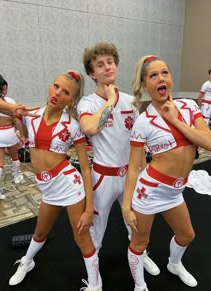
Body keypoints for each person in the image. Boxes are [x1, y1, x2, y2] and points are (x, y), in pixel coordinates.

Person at [123, 55, 211, 291]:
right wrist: (126, 205)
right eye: (153, 75)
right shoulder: (143, 122)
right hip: (149, 191)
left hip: (175, 191)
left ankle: (174, 264)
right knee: (139, 242)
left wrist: (175, 120)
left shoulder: (189, 106)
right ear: (145, 85)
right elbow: (133, 167)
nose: (161, 78)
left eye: (165, 72)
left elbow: (209, 142)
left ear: (171, 78)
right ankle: (140, 286)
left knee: (186, 235)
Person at [9, 70, 102, 291]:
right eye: (56, 86)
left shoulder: (72, 125)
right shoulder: (32, 117)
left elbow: (86, 169)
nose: (58, 93)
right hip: (47, 188)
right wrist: (17, 120)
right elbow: (26, 139)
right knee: (40, 232)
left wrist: (89, 209)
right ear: (50, 87)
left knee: (82, 239)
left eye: (66, 92)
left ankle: (96, 285)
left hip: (69, 185)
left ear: (71, 99)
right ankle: (27, 261)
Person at [77, 41, 160, 282]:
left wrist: (145, 173)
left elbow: (139, 141)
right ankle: (94, 274)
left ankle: (140, 253)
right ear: (92, 73)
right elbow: (90, 128)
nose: (106, 67)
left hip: (131, 175)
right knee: (96, 228)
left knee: (135, 222)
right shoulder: (88, 103)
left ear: (116, 65)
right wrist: (110, 100)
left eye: (110, 62)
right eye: (99, 65)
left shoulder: (130, 101)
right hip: (103, 177)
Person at [0, 75, 25, 200]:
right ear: (3, 89)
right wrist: (22, 135)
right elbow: (17, 121)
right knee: (15, 156)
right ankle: (16, 177)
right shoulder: (10, 102)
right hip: (8, 133)